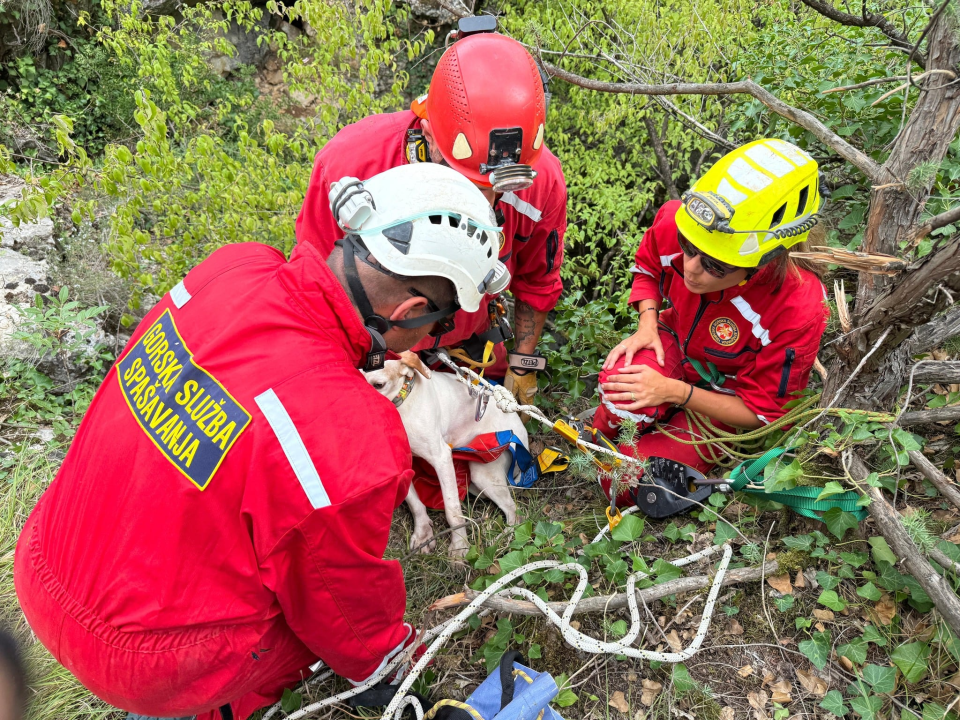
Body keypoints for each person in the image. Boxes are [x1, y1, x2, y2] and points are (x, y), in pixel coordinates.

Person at [14, 163, 506, 720]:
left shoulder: (233, 266)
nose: (433, 337)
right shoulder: (350, 433)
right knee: (309, 622)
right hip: (141, 658)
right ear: (409, 312)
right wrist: (392, 660)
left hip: (48, 553)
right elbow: (342, 606)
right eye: (439, 326)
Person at [296, 20, 568, 406]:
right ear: (427, 133)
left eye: (498, 188)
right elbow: (316, 284)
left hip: (470, 352)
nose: (483, 205)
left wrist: (523, 365)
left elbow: (537, 283)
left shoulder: (540, 184)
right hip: (372, 355)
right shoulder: (353, 166)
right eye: (468, 185)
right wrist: (370, 360)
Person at [592, 138, 829, 502]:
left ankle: (657, 426)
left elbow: (762, 413)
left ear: (765, 260)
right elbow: (649, 267)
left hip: (727, 395)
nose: (690, 269)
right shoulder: (680, 222)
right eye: (688, 247)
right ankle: (603, 436)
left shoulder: (797, 305)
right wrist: (648, 323)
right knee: (619, 390)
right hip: (676, 341)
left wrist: (675, 393)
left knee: (622, 480)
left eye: (715, 265)